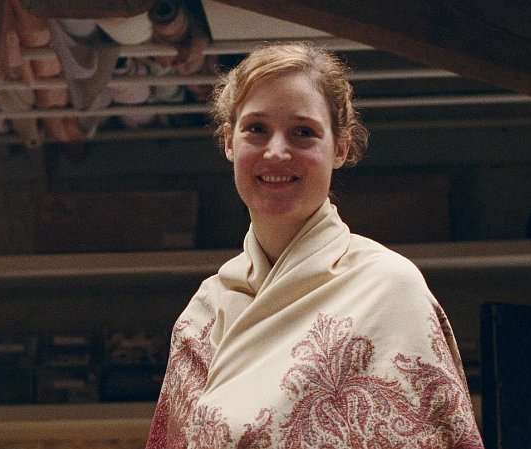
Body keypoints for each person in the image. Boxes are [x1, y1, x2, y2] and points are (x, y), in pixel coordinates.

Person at [145, 42, 484, 449]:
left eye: (303, 132)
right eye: (256, 129)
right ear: (229, 142)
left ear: (340, 149)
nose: (276, 152)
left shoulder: (389, 289)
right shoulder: (201, 318)